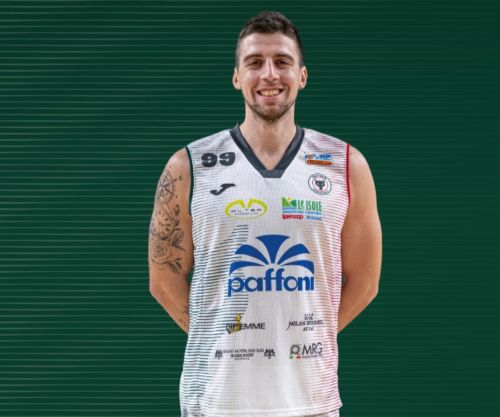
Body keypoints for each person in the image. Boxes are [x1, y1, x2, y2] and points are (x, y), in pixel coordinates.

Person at [148, 11, 382, 417]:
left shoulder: (346, 164)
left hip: (310, 401)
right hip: (215, 399)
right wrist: (223, 336)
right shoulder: (188, 166)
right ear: (236, 77)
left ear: (302, 76)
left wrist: (301, 342)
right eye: (255, 62)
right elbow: (163, 280)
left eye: (282, 62)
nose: (269, 74)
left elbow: (365, 281)